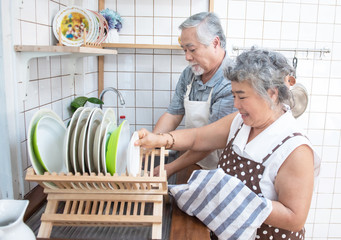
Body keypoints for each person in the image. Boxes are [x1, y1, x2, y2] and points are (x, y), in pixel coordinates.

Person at [136, 47, 321, 239]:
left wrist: (235, 198)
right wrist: (159, 140)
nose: (235, 104)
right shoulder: (240, 123)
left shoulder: (295, 149)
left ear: (272, 93)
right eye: (234, 96)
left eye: (242, 97)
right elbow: (198, 137)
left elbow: (294, 217)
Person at [153, 12, 235, 174]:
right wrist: (151, 144)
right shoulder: (189, 74)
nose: (187, 57)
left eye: (192, 49)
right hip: (190, 157)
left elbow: (211, 140)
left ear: (215, 43)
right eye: (184, 50)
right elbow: (173, 113)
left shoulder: (231, 80)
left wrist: (170, 168)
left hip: (220, 166)